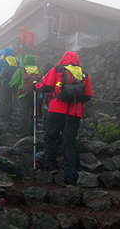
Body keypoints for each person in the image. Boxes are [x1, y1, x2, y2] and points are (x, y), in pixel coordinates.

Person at [35, 51, 92, 186]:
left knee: (50, 136)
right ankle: (70, 178)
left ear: (63, 59)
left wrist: (35, 86)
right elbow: (88, 95)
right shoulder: (84, 74)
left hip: (55, 110)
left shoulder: (57, 70)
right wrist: (75, 101)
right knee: (69, 144)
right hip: (74, 113)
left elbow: (45, 86)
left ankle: (51, 166)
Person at [10, 55, 43, 136]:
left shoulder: (21, 70)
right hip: (35, 94)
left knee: (24, 114)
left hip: (24, 94)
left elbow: (13, 82)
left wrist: (15, 91)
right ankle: (32, 131)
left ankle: (23, 132)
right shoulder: (38, 71)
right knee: (33, 114)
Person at [0, 48, 20, 121]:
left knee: (5, 99)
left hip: (6, 81)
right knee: (13, 98)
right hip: (14, 82)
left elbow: (0, 69)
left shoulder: (4, 59)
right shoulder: (15, 59)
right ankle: (12, 114)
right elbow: (19, 68)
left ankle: (5, 116)